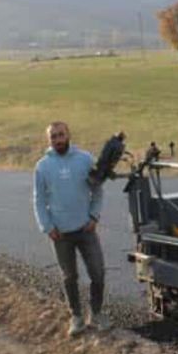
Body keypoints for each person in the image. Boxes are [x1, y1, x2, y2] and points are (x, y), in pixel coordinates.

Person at [33, 121, 106, 336]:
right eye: (53, 136)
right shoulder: (42, 166)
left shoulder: (85, 159)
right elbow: (39, 200)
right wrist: (47, 227)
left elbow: (98, 190)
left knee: (98, 273)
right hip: (61, 233)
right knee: (69, 277)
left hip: (86, 229)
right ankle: (76, 317)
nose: (58, 139)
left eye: (61, 134)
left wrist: (94, 215)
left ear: (68, 135)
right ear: (49, 140)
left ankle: (96, 313)